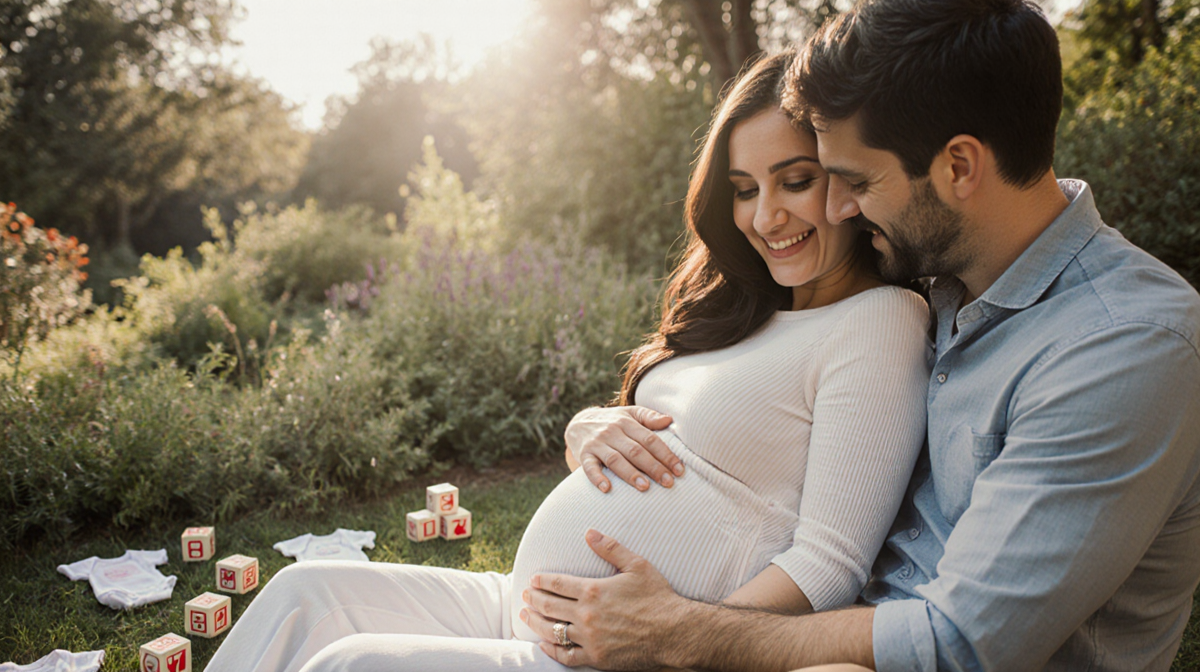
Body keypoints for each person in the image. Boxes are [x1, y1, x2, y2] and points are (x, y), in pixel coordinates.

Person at [520, 1, 1200, 671]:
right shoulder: (940, 287)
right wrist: (599, 427)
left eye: (854, 182)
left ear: (959, 167)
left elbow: (958, 643)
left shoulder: (1124, 346)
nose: (837, 209)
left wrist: (680, 635)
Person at [203, 51, 932, 672]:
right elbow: (661, 428)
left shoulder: (878, 321)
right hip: (524, 605)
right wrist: (586, 424)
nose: (765, 215)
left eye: (794, 180)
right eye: (744, 190)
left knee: (350, 667)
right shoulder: (748, 306)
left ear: (844, 180)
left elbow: (830, 566)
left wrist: (675, 634)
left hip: (607, 651)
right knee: (305, 593)